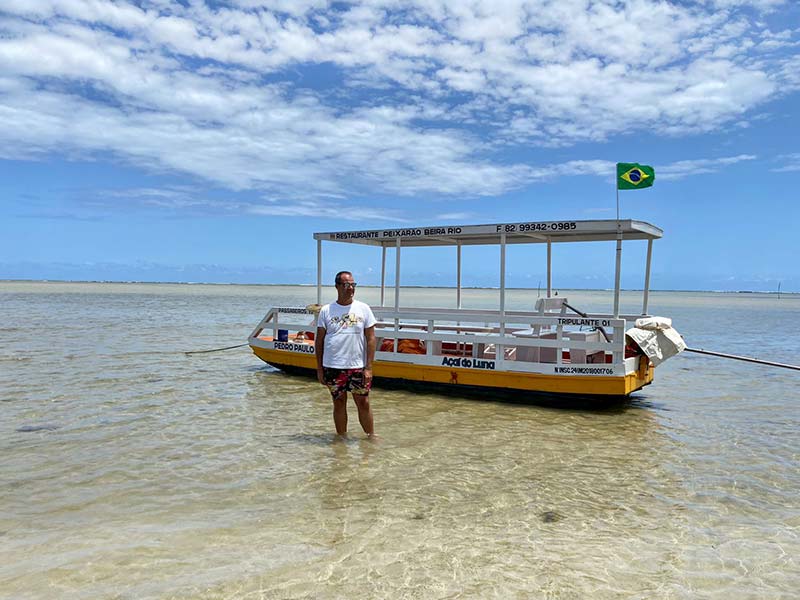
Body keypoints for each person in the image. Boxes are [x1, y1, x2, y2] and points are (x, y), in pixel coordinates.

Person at [315, 271, 377, 437]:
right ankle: (341, 438)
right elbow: (319, 341)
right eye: (346, 285)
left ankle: (371, 436)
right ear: (337, 286)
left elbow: (371, 339)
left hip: (358, 366)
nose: (350, 288)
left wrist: (369, 367)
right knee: (339, 402)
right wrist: (319, 369)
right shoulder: (326, 310)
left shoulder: (363, 308)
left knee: (363, 402)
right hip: (333, 365)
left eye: (353, 285)